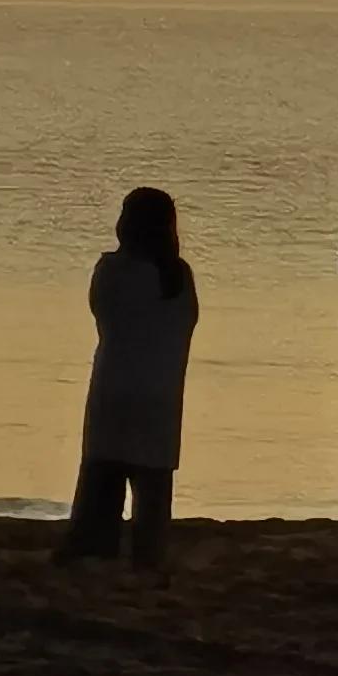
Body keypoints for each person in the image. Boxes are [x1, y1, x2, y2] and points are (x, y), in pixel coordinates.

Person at [63, 187, 198, 566]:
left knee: (103, 473)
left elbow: (103, 315)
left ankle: (95, 547)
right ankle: (147, 555)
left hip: (116, 385)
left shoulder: (112, 270)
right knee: (153, 484)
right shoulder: (178, 276)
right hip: (162, 391)